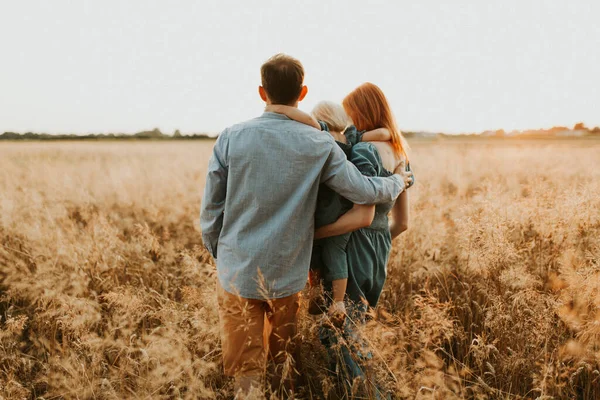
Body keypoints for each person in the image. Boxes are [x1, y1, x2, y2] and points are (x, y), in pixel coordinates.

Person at [199, 55, 413, 398]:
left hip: (236, 270)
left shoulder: (230, 137)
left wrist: (220, 254)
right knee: (285, 362)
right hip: (288, 272)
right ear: (303, 91)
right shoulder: (319, 144)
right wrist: (398, 182)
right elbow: (362, 189)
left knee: (246, 368)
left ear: (261, 91)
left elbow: (211, 211)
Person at [271, 83, 412, 398]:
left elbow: (360, 216)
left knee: (335, 334)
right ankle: (373, 389)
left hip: (352, 249)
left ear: (362, 112)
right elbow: (402, 223)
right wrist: (377, 244)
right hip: (379, 254)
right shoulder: (402, 154)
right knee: (350, 332)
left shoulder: (363, 151)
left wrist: (312, 236)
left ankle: (374, 394)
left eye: (352, 113)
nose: (349, 120)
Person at [264, 101, 397, 326]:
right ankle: (338, 302)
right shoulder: (352, 139)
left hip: (322, 206)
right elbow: (385, 131)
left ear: (320, 119)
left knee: (315, 247)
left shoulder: (321, 136)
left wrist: (283, 109)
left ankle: (316, 289)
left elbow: (306, 122)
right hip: (343, 209)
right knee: (337, 249)